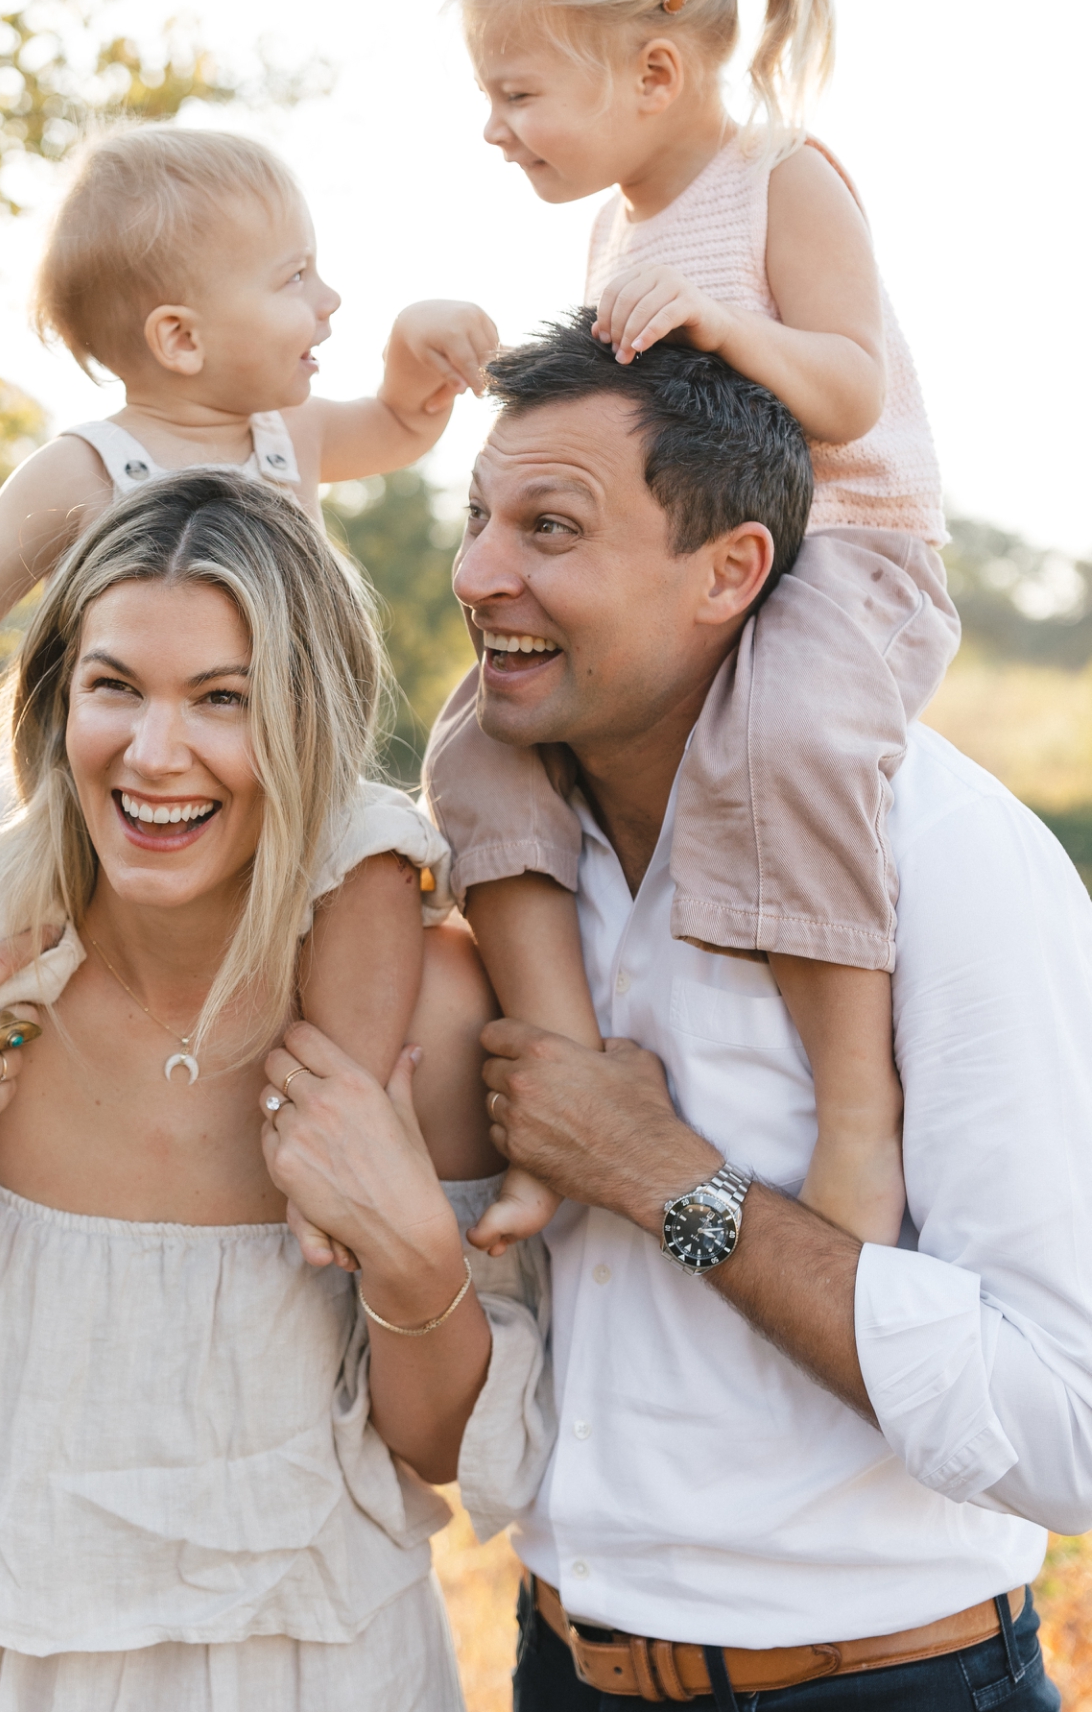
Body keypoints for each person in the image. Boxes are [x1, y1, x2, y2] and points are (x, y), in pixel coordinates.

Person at [0, 472, 553, 1712]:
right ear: (57, 702)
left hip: (321, 1665)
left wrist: (410, 1250)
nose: (158, 754)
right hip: (7, 1660)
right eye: (115, 686)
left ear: (305, 718)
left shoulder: (418, 1007)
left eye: (225, 698)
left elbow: (435, 1441)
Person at [453, 315, 1088, 1710]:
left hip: (883, 1686)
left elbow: (1069, 1428)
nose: (479, 572)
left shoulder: (948, 857)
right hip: (561, 1661)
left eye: (550, 529)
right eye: (480, 517)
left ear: (731, 571)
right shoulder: (501, 854)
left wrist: (671, 1181)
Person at [0, 124, 498, 1238]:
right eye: (294, 278)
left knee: (375, 865)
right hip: (102, 793)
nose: (329, 302)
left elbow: (404, 426)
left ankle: (336, 1124)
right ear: (179, 335)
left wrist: (418, 351)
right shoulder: (88, 465)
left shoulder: (292, 435)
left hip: (282, 778)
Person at [423, 0, 957, 1257]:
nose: (494, 127)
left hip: (849, 553)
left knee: (781, 734)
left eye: (518, 91)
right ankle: (563, 1085)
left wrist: (728, 326)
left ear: (655, 68)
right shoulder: (617, 229)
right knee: (473, 753)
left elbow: (845, 388)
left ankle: (856, 1118)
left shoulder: (782, 176)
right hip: (697, 571)